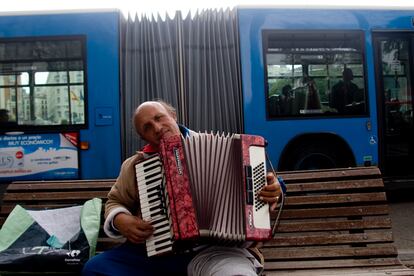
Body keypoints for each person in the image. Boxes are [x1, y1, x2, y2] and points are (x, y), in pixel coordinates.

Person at [82, 100, 283, 276]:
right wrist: (120, 220)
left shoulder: (224, 146)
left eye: (159, 118)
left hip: (217, 251)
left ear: (173, 116)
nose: (157, 128)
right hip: (154, 254)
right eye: (147, 127)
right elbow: (115, 201)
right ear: (144, 137)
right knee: (95, 269)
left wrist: (275, 189)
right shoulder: (135, 165)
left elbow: (269, 181)